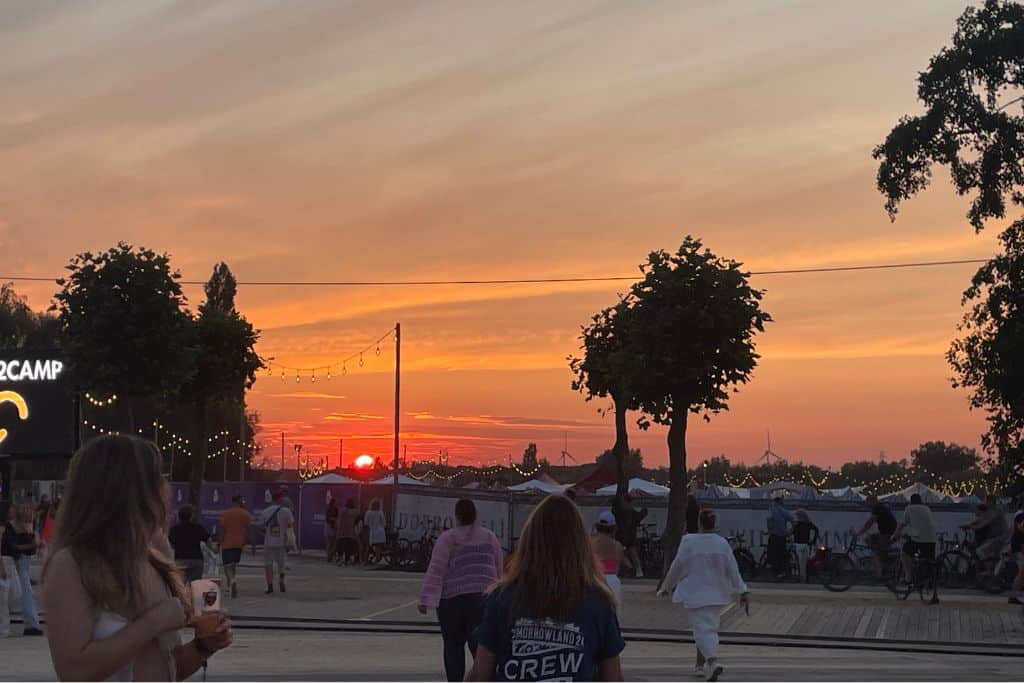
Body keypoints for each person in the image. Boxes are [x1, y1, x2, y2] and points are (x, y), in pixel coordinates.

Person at [42, 435, 232, 681]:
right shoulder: (71, 564)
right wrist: (154, 621)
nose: (166, 488)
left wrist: (203, 646)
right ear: (130, 490)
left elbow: (169, 667)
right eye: (157, 478)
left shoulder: (153, 560)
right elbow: (74, 671)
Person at [466, 495, 624, 682]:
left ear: (529, 541)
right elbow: (613, 677)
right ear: (581, 545)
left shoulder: (502, 598)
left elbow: (480, 675)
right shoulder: (599, 602)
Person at [659, 508, 749, 682]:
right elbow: (733, 569)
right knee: (709, 629)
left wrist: (666, 587)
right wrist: (742, 589)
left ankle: (712, 661)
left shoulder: (689, 541)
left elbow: (677, 566)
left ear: (699, 522)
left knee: (701, 631)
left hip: (695, 593)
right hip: (717, 593)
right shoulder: (722, 543)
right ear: (715, 524)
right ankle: (701, 666)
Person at [418, 499, 503, 681]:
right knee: (481, 648)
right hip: (482, 599)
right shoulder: (489, 537)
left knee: (453, 647)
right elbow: (498, 568)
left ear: (456, 516)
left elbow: (436, 569)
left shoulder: (448, 538)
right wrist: (500, 595)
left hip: (451, 601)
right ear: (476, 515)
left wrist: (426, 599)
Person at [5, 502, 43, 635]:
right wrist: (30, 546)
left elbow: (34, 544)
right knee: (25, 593)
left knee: (24, 593)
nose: (27, 511)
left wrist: (36, 543)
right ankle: (32, 625)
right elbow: (12, 546)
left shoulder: (30, 525)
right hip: (17, 561)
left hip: (25, 561)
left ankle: (31, 624)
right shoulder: (11, 526)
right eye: (23, 509)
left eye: (28, 509)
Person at [893, 493, 937, 584]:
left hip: (918, 539)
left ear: (910, 501)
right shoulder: (926, 508)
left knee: (904, 553)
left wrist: (895, 535)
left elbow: (903, 524)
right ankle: (930, 582)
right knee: (928, 561)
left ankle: (908, 577)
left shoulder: (909, 508)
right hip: (932, 538)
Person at [962, 495, 1009, 573]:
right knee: (990, 557)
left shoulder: (996, 510)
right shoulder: (990, 510)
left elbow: (985, 522)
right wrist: (967, 525)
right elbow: (980, 520)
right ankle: (990, 573)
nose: (984, 503)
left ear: (990, 502)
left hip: (1000, 538)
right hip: (994, 537)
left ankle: (986, 572)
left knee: (980, 551)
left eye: (985, 501)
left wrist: (973, 527)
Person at [260, 489, 295, 594]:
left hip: (269, 542)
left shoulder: (265, 511)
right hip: (282, 542)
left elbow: (262, 526)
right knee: (281, 564)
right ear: (280, 499)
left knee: (268, 564)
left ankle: (270, 586)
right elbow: (291, 526)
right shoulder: (286, 511)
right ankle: (281, 579)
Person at [857, 495, 898, 579]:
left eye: (868, 501)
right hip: (887, 532)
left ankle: (879, 574)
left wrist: (860, 532)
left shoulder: (877, 507)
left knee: (874, 553)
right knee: (868, 539)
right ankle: (879, 556)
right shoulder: (881, 506)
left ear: (873, 500)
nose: (867, 504)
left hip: (887, 534)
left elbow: (870, 522)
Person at [219, 496, 251, 599]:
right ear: (240, 502)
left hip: (227, 543)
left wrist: (219, 543)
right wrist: (247, 542)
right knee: (233, 565)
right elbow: (247, 530)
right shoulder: (245, 514)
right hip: (239, 543)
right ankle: (229, 586)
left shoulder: (225, 513)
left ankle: (232, 581)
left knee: (227, 565)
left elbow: (222, 530)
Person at [168, 505, 210, 584]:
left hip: (180, 559)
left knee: (181, 584)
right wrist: (214, 549)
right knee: (195, 584)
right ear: (191, 516)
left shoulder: (174, 530)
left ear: (179, 517)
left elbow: (171, 545)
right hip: (196, 559)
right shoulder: (198, 527)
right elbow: (208, 540)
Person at [592, 511, 624, 607]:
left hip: (595, 580)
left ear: (597, 527)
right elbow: (618, 567)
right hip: (613, 581)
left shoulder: (590, 544)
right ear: (614, 528)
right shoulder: (618, 546)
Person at [613, 492, 647, 578]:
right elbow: (639, 518)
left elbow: (617, 522)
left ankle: (627, 568)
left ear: (624, 501)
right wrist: (644, 511)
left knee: (623, 553)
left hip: (622, 535)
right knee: (632, 553)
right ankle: (637, 570)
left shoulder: (622, 511)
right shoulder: (631, 511)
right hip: (629, 535)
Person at [766, 496, 794, 579]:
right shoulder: (785, 512)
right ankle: (781, 572)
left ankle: (774, 571)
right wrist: (789, 532)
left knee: (772, 554)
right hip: (782, 536)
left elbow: (769, 520)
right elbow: (793, 521)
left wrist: (770, 530)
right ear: (781, 503)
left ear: (775, 502)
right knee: (781, 554)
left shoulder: (771, 510)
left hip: (774, 535)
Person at [791, 509, 819, 582]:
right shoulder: (808, 523)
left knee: (799, 562)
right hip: (804, 544)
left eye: (797, 515)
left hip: (798, 544)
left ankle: (800, 577)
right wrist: (813, 540)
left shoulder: (797, 524)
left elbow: (791, 532)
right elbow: (816, 530)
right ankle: (803, 577)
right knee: (803, 562)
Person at [336, 499, 359, 566]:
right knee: (348, 546)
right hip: (350, 532)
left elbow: (339, 520)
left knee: (342, 546)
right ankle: (346, 559)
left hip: (343, 531)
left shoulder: (342, 510)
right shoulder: (354, 511)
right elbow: (357, 515)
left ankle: (341, 559)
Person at [364, 499, 387, 564]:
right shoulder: (380, 512)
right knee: (378, 546)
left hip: (372, 531)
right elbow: (384, 523)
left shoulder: (368, 513)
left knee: (369, 546)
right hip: (380, 532)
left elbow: (366, 523)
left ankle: (366, 560)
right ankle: (377, 559)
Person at [1008, 512, 1024, 605]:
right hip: (1019, 548)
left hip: (1019, 548)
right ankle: (1013, 597)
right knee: (1021, 574)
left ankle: (1013, 597)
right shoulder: (1021, 516)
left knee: (1021, 574)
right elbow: (1020, 527)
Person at [324, 498, 339, 563]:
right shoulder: (328, 509)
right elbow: (327, 518)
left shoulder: (336, 509)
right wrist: (332, 522)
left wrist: (334, 523)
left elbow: (336, 517)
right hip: (329, 526)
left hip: (332, 526)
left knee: (332, 543)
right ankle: (329, 556)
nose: (335, 504)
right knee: (330, 543)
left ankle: (330, 556)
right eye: (334, 503)